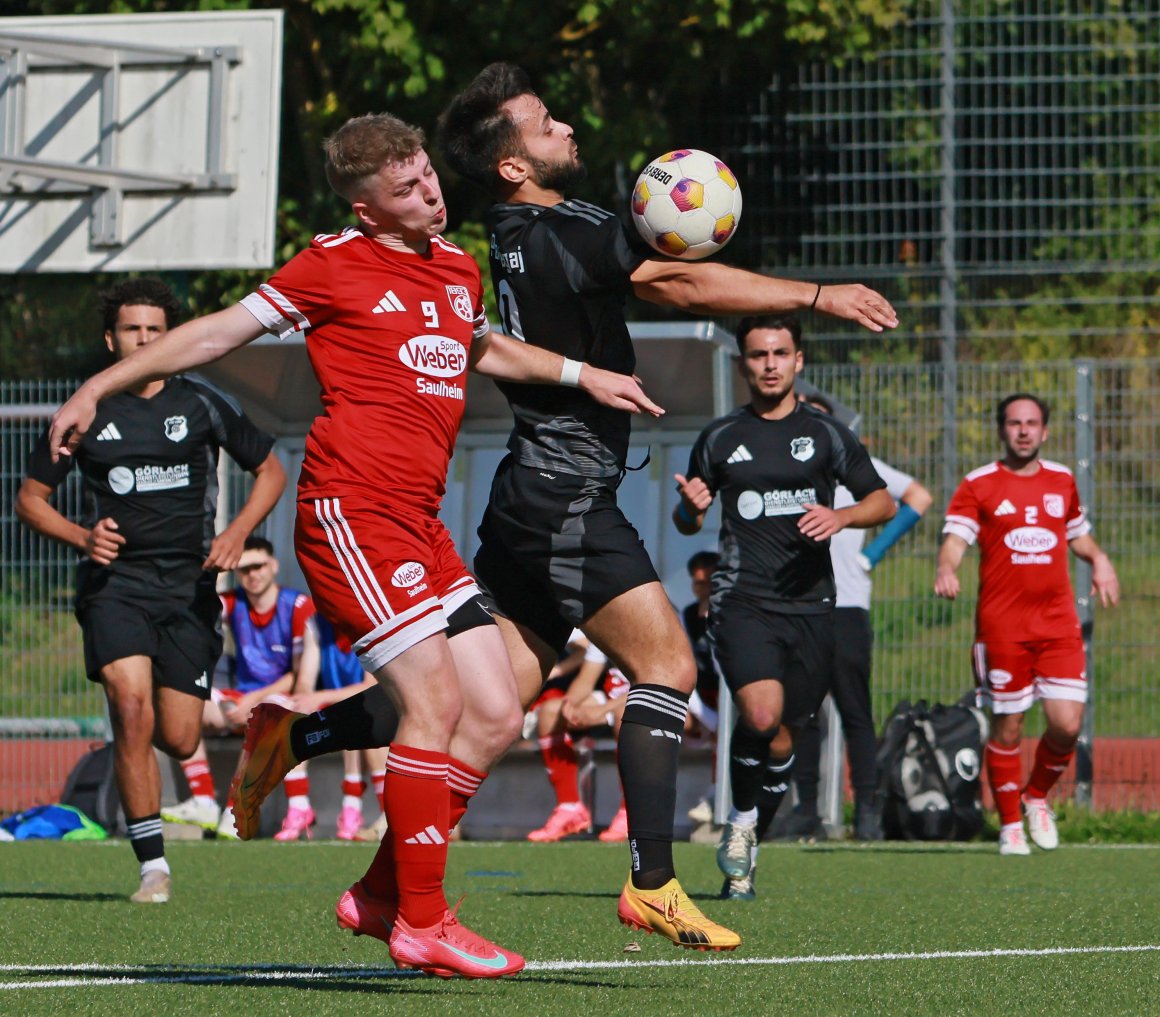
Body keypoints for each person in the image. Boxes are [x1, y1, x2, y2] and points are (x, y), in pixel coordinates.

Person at [231, 61, 896, 952]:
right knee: (663, 666)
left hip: (534, 495)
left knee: (490, 701)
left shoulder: (505, 240)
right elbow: (676, 282)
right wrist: (816, 294)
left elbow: (644, 281)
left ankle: (316, 757)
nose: (566, 129)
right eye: (546, 123)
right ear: (513, 163)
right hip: (566, 498)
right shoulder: (553, 231)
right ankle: (653, 881)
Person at [46, 113, 658, 978]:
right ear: (369, 210)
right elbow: (220, 331)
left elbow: (482, 347)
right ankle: (423, 918)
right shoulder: (331, 264)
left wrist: (582, 372)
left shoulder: (453, 266)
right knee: (433, 703)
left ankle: (380, 896)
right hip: (350, 512)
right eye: (406, 189)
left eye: (428, 176)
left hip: (418, 521)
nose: (430, 192)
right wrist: (99, 384)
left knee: (495, 710)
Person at [14, 277, 285, 904]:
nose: (144, 340)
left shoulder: (203, 402)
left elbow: (269, 470)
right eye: (132, 330)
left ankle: (179, 794)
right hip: (116, 586)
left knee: (180, 737)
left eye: (155, 330)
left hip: (188, 590)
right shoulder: (85, 411)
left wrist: (237, 532)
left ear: (174, 338)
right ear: (111, 340)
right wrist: (82, 538)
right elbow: (30, 500)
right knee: (128, 707)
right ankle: (152, 867)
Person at [673, 313, 896, 900]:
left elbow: (883, 501)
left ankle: (746, 834)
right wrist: (691, 509)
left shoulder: (825, 434)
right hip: (743, 601)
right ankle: (740, 825)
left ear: (798, 361)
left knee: (784, 740)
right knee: (763, 716)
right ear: (742, 364)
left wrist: (843, 516)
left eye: (779, 353)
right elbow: (687, 513)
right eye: (757, 355)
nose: (769, 364)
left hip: (814, 606)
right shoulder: (720, 437)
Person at [934, 393, 1119, 855]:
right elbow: (956, 537)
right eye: (1014, 423)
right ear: (1002, 430)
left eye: (1032, 423)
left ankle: (1035, 796)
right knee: (1008, 727)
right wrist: (946, 566)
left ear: (1045, 431)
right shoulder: (979, 484)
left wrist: (1099, 561)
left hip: (1057, 625)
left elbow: (1078, 534)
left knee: (1067, 724)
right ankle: (1010, 825)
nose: (1023, 431)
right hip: (1003, 629)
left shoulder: (1062, 480)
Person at [781, 396, 932, 841]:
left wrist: (874, 553)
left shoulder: (856, 464)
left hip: (846, 605)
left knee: (854, 710)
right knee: (802, 712)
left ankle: (866, 809)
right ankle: (806, 810)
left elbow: (918, 497)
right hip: (799, 605)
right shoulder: (786, 466)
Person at [162, 536, 319, 840]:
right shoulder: (233, 602)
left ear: (273, 566)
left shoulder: (298, 606)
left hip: (280, 702)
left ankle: (238, 807)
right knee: (182, 705)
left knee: (273, 712)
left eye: (258, 566)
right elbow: (191, 613)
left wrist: (254, 700)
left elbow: (299, 678)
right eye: (244, 569)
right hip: (242, 700)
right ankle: (204, 798)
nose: (252, 574)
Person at [681, 551, 722, 830]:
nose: (703, 590)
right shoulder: (687, 614)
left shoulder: (730, 611)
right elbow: (686, 665)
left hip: (727, 696)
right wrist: (704, 713)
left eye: (709, 583)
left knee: (728, 734)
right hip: (702, 698)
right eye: (698, 584)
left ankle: (715, 795)